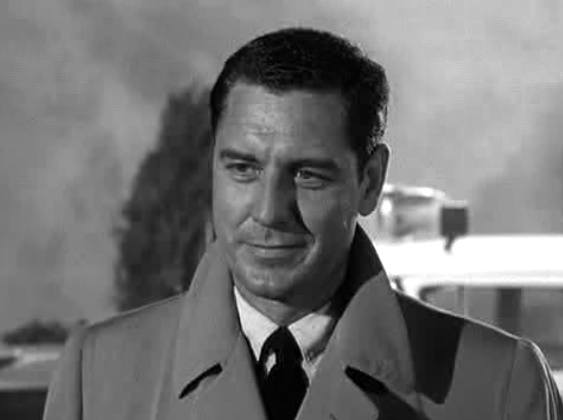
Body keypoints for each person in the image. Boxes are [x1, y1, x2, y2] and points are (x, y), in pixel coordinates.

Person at [44, 27, 562, 420]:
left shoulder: (498, 386)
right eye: (243, 168)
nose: (270, 210)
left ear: (370, 182)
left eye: (308, 175)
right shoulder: (97, 376)